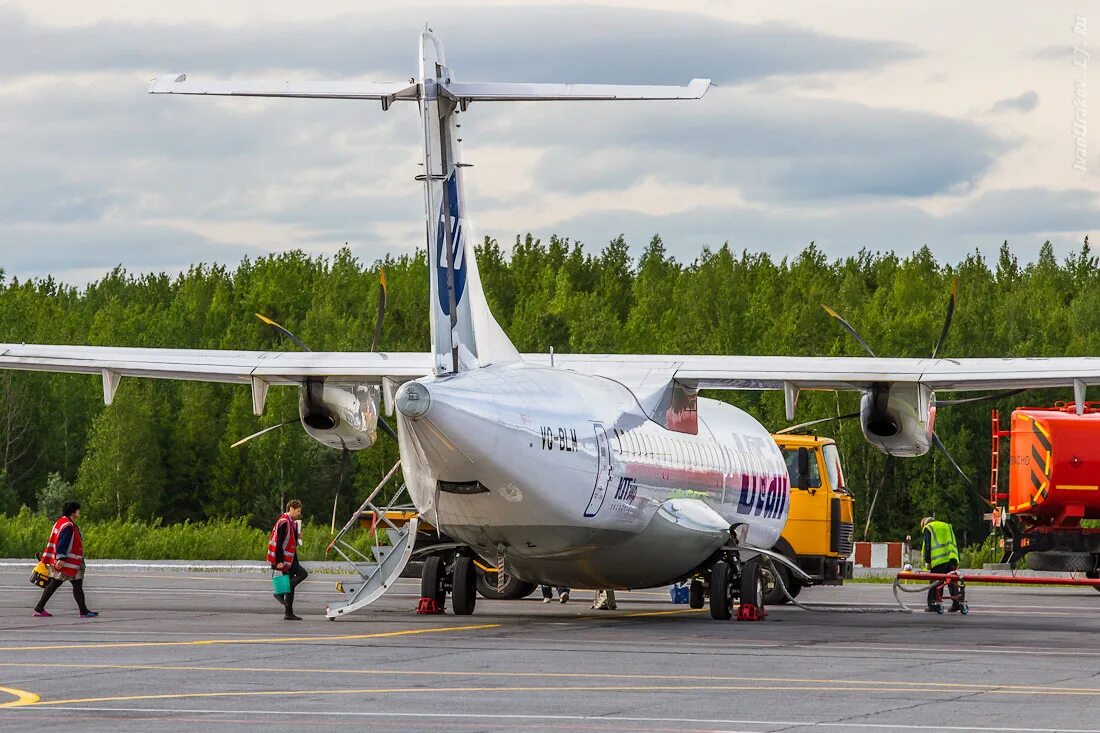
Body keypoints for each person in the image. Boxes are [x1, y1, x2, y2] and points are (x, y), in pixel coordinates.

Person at [34, 501, 97, 618]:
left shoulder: (61, 522)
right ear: (73, 512)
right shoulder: (68, 526)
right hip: (68, 563)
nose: (79, 512)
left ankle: (83, 610)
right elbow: (62, 543)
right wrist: (61, 558)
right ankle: (83, 611)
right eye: (78, 510)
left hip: (69, 562)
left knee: (68, 584)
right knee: (59, 584)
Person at [268, 499, 308, 620]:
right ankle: (279, 592)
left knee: (291, 583)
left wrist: (298, 536)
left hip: (291, 558)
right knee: (303, 574)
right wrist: (279, 561)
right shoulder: (284, 522)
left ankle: (288, 612)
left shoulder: (292, 523)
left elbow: (292, 542)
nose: (299, 513)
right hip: (284, 559)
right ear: (291, 509)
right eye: (298, 511)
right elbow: (279, 542)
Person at [921, 516, 961, 612]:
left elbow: (927, 546)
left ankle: (933, 604)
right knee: (952, 582)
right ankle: (956, 603)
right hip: (951, 557)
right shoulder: (947, 526)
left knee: (935, 582)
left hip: (938, 559)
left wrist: (928, 560)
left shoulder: (928, 528)